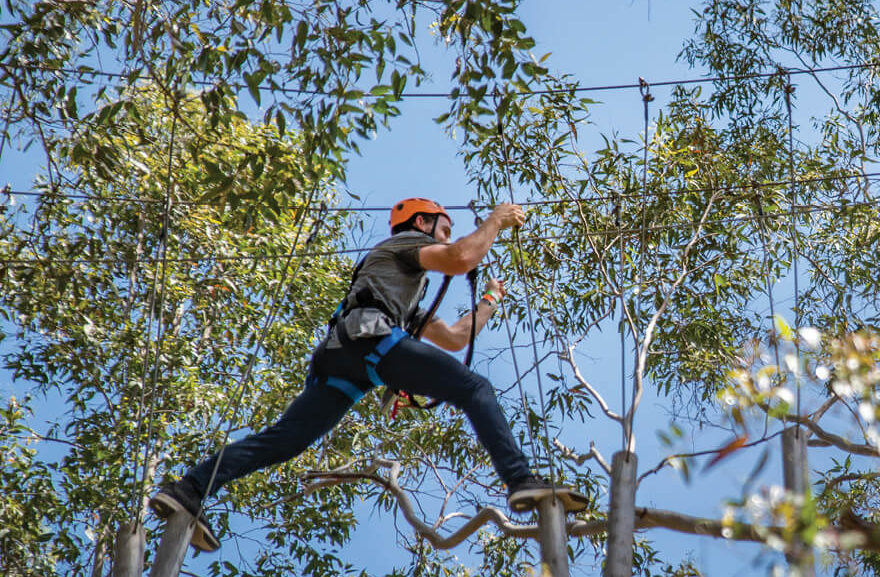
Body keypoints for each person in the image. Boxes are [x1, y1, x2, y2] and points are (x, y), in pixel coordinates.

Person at [150, 197, 587, 553]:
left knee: (284, 441)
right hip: (367, 341)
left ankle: (189, 488)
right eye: (445, 227)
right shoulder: (401, 246)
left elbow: (455, 337)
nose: (448, 236)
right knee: (475, 388)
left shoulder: (399, 290)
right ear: (421, 223)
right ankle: (521, 481)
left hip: (346, 360)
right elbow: (460, 257)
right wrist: (495, 220)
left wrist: (489, 299)